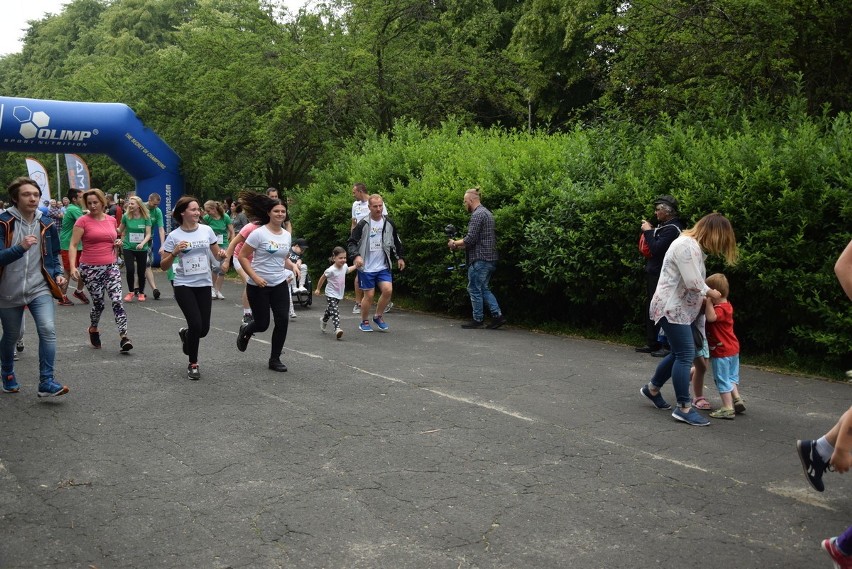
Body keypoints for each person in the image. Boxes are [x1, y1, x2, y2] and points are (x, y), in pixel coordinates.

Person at [638, 212, 738, 426]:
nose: (718, 247)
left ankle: (652, 389)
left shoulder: (691, 246)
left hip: (678, 309)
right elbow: (694, 282)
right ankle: (684, 407)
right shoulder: (687, 246)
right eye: (720, 241)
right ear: (712, 233)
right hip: (672, 308)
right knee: (685, 355)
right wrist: (714, 295)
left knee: (678, 353)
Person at [0, 177, 69, 398]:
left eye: (36, 195)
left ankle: (46, 381)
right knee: (11, 335)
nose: (32, 198)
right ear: (14, 198)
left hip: (38, 287)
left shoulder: (46, 223)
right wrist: (20, 247)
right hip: (7, 289)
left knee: (47, 330)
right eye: (26, 194)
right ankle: (8, 373)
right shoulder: (3, 222)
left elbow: (54, 255)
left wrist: (58, 274)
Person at [160, 196, 226, 380]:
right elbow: (164, 266)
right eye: (193, 210)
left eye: (198, 210)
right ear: (182, 213)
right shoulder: (174, 236)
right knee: (196, 324)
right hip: (183, 284)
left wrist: (221, 255)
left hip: (204, 283)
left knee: (203, 329)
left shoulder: (207, 230)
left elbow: (217, 255)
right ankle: (193, 363)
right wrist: (174, 253)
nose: (198, 213)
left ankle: (186, 334)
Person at [235, 191, 298, 372]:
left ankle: (275, 359)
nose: (280, 214)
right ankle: (246, 330)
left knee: (282, 321)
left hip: (279, 283)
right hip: (258, 285)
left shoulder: (286, 235)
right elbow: (243, 256)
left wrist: (292, 266)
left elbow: (282, 258)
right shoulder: (259, 234)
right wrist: (254, 277)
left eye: (283, 211)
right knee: (262, 324)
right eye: (276, 211)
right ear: (269, 213)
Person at [68, 188, 134, 353]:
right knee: (98, 303)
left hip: (111, 267)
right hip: (90, 268)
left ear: (102, 202)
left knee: (117, 300)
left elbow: (114, 237)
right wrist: (72, 267)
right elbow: (73, 245)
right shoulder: (82, 221)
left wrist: (117, 243)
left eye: (95, 202)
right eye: (89, 203)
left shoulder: (111, 220)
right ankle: (93, 328)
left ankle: (124, 336)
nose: (92, 206)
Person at [448, 187, 505, 330]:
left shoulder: (477, 215)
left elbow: (470, 239)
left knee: (474, 288)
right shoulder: (487, 213)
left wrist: (454, 243)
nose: (464, 204)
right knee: (483, 288)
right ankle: (498, 316)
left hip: (480, 259)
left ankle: (478, 319)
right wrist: (459, 246)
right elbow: (476, 241)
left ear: (471, 200)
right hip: (490, 258)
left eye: (465, 201)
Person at [636, 195, 686, 357]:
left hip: (665, 275)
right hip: (654, 271)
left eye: (658, 210)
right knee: (652, 307)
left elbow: (657, 249)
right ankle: (653, 342)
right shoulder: (664, 226)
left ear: (667, 211)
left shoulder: (673, 229)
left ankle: (665, 345)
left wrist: (649, 232)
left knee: (664, 308)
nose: (655, 213)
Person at [347, 193, 405, 332]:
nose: (378, 209)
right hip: (366, 266)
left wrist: (400, 257)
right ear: (369, 207)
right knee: (370, 295)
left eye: (380, 206)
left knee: (388, 290)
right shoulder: (363, 224)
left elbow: (396, 242)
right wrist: (356, 256)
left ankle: (378, 315)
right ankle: (364, 321)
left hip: (382, 265)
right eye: (375, 206)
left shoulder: (389, 223)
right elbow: (351, 242)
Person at [703, 273, 745, 419]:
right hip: (733, 348)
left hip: (722, 350)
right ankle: (737, 398)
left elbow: (711, 317)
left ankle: (727, 408)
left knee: (721, 378)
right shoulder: (728, 305)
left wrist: (708, 301)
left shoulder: (719, 308)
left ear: (715, 293)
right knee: (731, 377)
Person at [350, 182, 389, 314]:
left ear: (360, 191)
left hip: (375, 241)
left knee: (380, 275)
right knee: (359, 272)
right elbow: (354, 223)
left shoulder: (376, 203)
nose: (353, 194)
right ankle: (358, 302)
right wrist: (353, 242)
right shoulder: (355, 205)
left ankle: (381, 302)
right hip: (361, 242)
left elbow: (385, 223)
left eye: (354, 192)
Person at [315, 246, 357, 340]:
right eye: (340, 258)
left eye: (344, 258)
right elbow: (322, 278)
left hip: (339, 293)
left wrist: (356, 266)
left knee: (330, 310)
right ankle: (337, 329)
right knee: (335, 310)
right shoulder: (330, 270)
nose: (343, 260)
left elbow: (348, 270)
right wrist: (318, 289)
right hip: (330, 293)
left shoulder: (344, 266)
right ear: (334, 258)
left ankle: (324, 319)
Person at [117, 196, 152, 302]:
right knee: (130, 270)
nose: (130, 205)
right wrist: (109, 226)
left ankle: (141, 292)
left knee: (141, 272)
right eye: (129, 203)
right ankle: (131, 292)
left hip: (142, 248)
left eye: (132, 204)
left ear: (138, 205)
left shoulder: (146, 217)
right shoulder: (126, 216)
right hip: (128, 247)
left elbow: (148, 234)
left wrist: (142, 243)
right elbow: (119, 230)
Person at [58, 188, 89, 306]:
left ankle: (79, 291)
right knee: (68, 271)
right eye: (80, 197)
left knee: (85, 269)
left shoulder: (77, 209)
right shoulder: (73, 209)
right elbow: (86, 222)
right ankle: (62, 297)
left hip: (78, 244)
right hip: (68, 244)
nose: (83, 199)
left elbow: (85, 214)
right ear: (74, 199)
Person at [201, 200, 234, 300]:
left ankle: (217, 290)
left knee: (223, 269)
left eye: (208, 210)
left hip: (224, 244)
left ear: (214, 209)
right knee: (215, 267)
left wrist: (231, 244)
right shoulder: (207, 218)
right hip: (212, 245)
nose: (207, 213)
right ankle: (211, 289)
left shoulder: (225, 217)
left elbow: (231, 231)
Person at [143, 192, 165, 300]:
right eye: (154, 204)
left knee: (146, 265)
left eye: (157, 205)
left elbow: (161, 229)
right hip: (137, 241)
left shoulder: (158, 212)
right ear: (149, 200)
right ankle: (154, 288)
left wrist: (162, 245)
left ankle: (138, 289)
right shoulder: (141, 207)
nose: (155, 207)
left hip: (149, 241)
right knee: (146, 265)